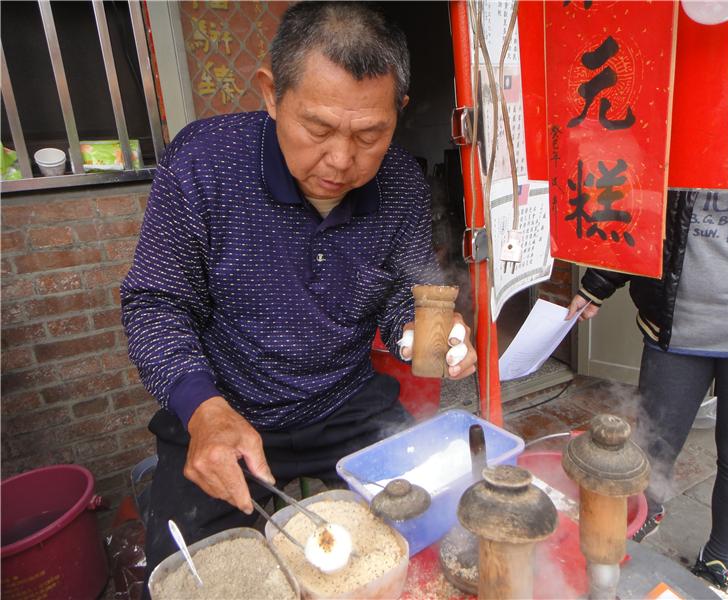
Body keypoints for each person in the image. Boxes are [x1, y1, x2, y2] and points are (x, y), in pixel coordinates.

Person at [121, 1, 477, 581]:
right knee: (195, 578)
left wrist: (419, 330)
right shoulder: (205, 162)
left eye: (370, 134)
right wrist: (202, 409)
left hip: (343, 403)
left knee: (424, 539)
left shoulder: (402, 183)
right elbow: (157, 303)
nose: (341, 161)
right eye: (318, 128)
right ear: (269, 94)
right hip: (225, 407)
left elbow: (403, 293)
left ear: (398, 112)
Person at [567, 1, 728, 591]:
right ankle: (653, 509)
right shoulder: (673, 102)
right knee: (655, 443)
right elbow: (639, 201)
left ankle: (720, 558)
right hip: (675, 323)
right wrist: (599, 280)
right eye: (726, 30)